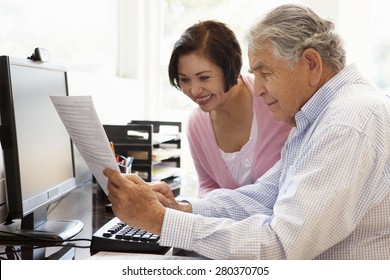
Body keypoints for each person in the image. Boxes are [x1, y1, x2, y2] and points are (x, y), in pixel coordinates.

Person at [104, 4, 390, 259]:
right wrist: (181, 209)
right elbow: (266, 196)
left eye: (266, 72)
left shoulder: (345, 124)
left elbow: (280, 246)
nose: (259, 87)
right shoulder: (320, 118)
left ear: (311, 64)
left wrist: (161, 221)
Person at [168, 20, 291, 198]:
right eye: (185, 80)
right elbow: (208, 187)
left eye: (204, 78)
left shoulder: (272, 100)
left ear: (230, 68)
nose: (194, 91)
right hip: (230, 225)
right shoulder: (196, 124)